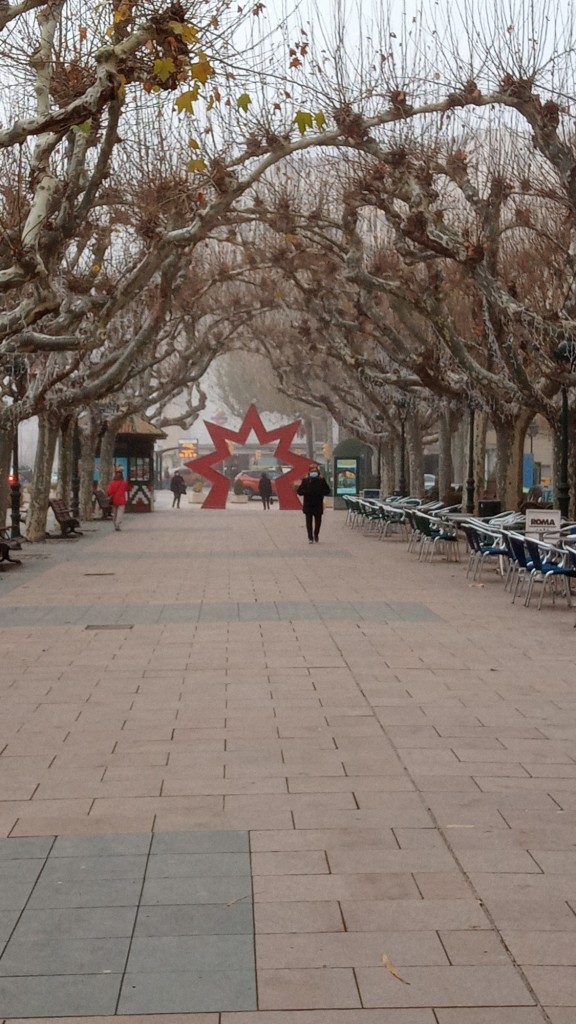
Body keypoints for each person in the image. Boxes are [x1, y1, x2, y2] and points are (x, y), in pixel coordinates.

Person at [297, 463, 331, 544]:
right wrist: (306, 492)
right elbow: (299, 491)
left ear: (317, 471)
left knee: (318, 522)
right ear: (309, 472)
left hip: (318, 504)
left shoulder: (321, 480)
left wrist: (320, 492)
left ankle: (316, 534)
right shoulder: (305, 480)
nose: (313, 472)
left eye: (315, 471)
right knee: (309, 522)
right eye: (312, 471)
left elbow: (328, 490)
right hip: (308, 505)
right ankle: (310, 537)